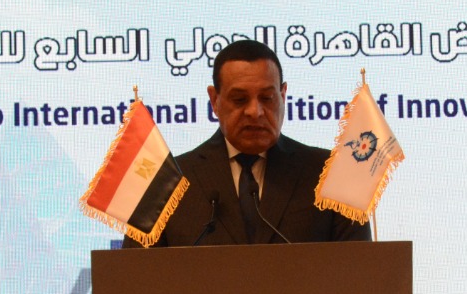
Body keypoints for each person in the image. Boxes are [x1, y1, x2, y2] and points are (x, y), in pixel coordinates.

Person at [132, 39, 372, 246]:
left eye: (267, 98)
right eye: (239, 99)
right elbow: (136, 274)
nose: (255, 112)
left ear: (283, 95)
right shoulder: (166, 182)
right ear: (214, 100)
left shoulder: (331, 174)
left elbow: (359, 271)